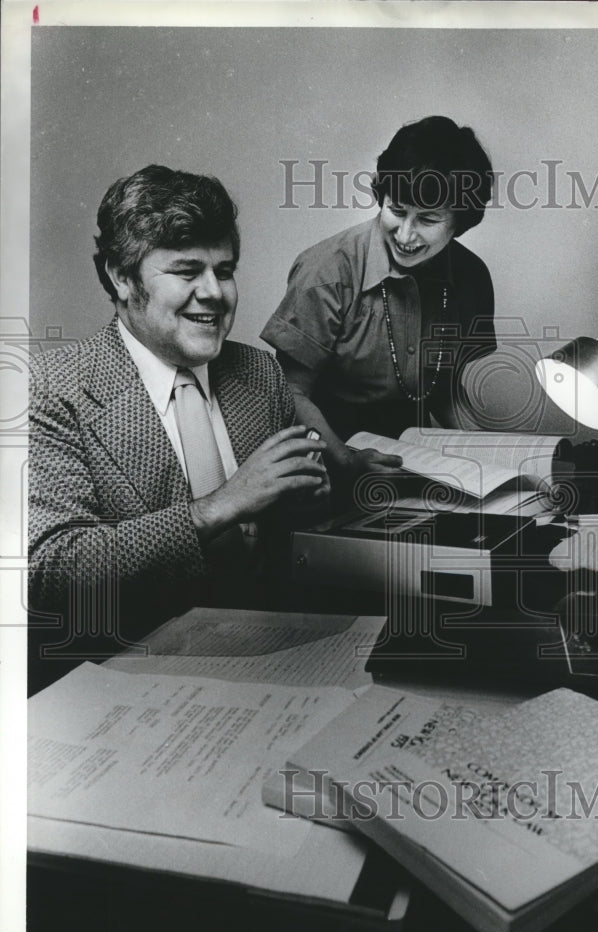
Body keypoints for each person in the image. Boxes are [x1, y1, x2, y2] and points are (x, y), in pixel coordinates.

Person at [28, 165, 327, 665]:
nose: (215, 292)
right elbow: (53, 571)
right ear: (122, 277)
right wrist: (219, 506)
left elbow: (282, 548)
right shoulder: (51, 388)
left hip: (273, 661)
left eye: (225, 270)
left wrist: (308, 497)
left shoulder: (259, 373)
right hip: (124, 680)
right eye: (188, 271)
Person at [261, 115, 497, 484]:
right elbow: (289, 393)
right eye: (397, 210)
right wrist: (345, 462)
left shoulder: (472, 278)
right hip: (320, 468)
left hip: (408, 465)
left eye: (428, 220)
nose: (405, 235)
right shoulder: (326, 271)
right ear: (380, 196)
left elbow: (443, 390)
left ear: (460, 222)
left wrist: (487, 455)